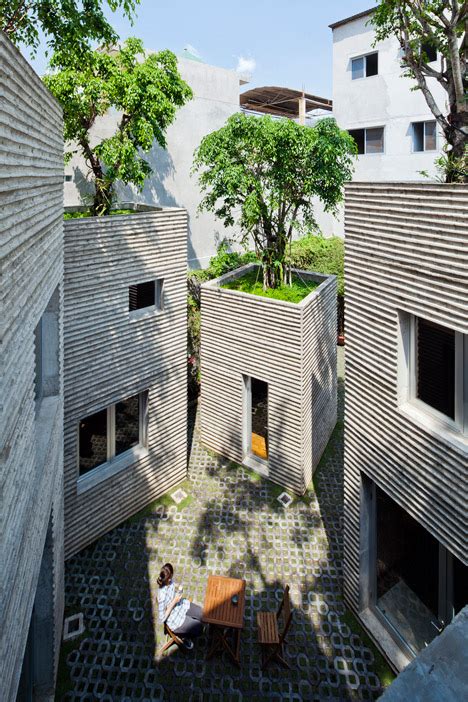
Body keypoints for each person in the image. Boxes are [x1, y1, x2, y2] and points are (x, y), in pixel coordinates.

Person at [157, 562, 204, 650]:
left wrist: (178, 592)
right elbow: (161, 619)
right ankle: (184, 637)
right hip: (175, 619)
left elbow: (173, 593)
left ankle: (189, 626)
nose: (171, 580)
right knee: (199, 628)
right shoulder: (161, 596)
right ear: (166, 578)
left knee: (202, 614)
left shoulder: (169, 581)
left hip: (181, 606)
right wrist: (174, 602)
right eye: (170, 578)